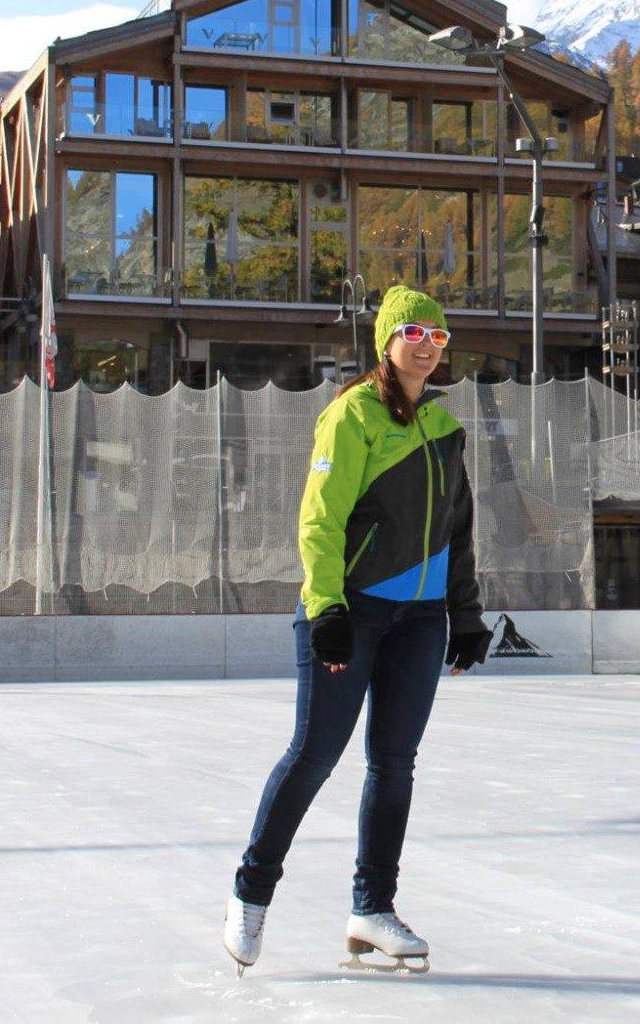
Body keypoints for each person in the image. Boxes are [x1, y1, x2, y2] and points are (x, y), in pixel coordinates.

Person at [222, 286, 491, 975]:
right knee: (314, 755)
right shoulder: (354, 415)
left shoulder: (443, 428)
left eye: (437, 332)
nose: (427, 343)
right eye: (413, 331)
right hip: (356, 613)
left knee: (394, 764)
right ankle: (251, 893)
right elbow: (320, 518)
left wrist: (464, 612)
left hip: (422, 620)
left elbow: (459, 533)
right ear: (386, 341)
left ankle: (372, 909)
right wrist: (328, 608)